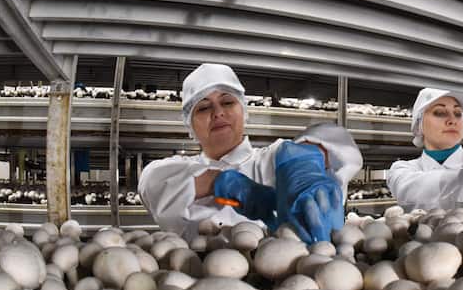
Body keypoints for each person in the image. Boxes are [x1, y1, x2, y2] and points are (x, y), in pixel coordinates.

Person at [138, 63, 362, 243]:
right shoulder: (178, 169)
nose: (218, 113)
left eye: (227, 102)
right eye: (204, 107)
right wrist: (222, 182)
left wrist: (304, 165)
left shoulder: (273, 158)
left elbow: (332, 140)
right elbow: (152, 183)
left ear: (244, 113)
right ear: (190, 126)